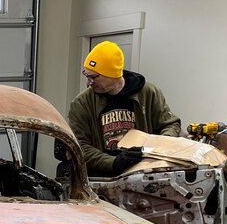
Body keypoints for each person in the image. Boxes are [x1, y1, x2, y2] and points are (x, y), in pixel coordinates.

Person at [67, 41, 181, 177]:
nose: (88, 83)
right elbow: (78, 147)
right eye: (87, 76)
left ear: (112, 74)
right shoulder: (82, 103)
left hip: (142, 175)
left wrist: (157, 147)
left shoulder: (149, 93)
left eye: (93, 77)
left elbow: (171, 124)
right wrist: (114, 162)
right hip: (103, 177)